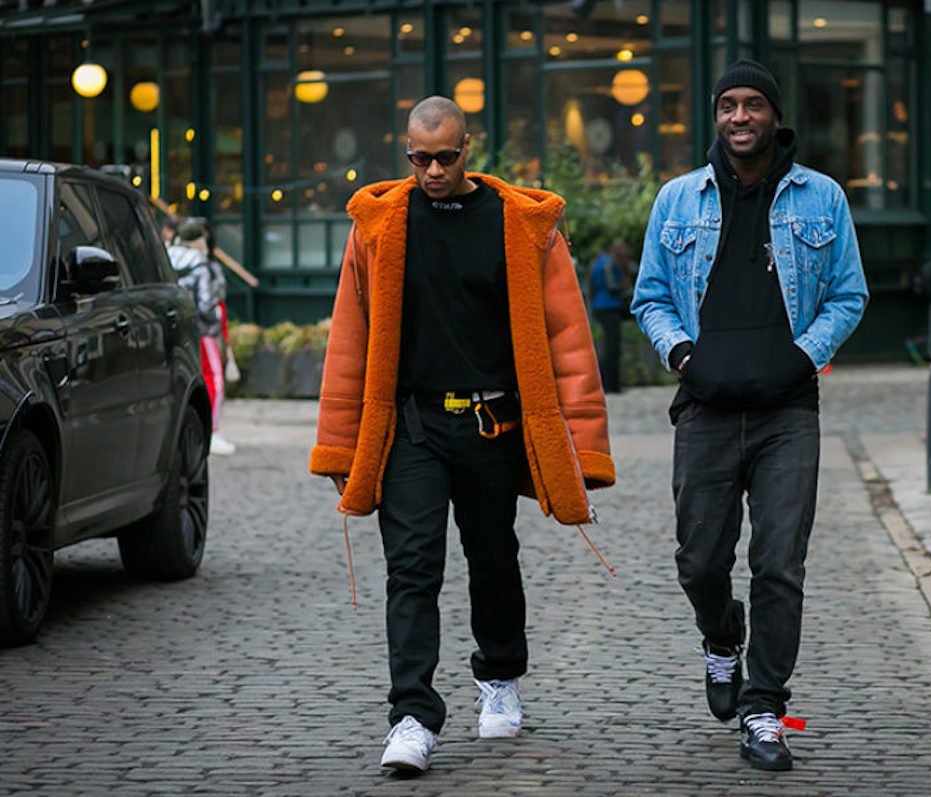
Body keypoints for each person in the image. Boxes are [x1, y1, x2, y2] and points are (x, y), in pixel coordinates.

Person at [308, 96, 614, 775]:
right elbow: (350, 335)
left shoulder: (517, 222)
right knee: (412, 568)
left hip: (490, 423)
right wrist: (339, 441)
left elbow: (567, 337)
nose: (433, 170)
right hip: (412, 426)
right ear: (407, 153)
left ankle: (499, 674)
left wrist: (585, 445)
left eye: (445, 157)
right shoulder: (381, 225)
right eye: (419, 158)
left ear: (467, 149)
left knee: (493, 558)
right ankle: (412, 715)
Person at [632, 60, 868, 772]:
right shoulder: (678, 199)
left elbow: (849, 295)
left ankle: (764, 707)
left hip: (786, 413)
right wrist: (682, 356)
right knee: (700, 560)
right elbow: (650, 297)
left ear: (774, 114)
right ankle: (720, 635)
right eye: (729, 105)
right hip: (704, 409)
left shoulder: (821, 197)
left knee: (779, 563)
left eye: (754, 105)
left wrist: (803, 357)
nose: (740, 117)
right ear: (717, 115)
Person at [167, 219, 234, 455]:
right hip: (203, 332)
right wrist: (215, 319)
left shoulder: (167, 257)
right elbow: (206, 304)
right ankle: (212, 431)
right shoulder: (200, 263)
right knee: (213, 378)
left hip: (174, 331)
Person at [590, 240, 634, 393]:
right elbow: (612, 286)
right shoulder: (610, 263)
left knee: (609, 347)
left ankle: (607, 384)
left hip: (600, 306)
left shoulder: (599, 262)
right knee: (613, 348)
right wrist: (627, 291)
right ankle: (610, 385)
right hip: (609, 307)